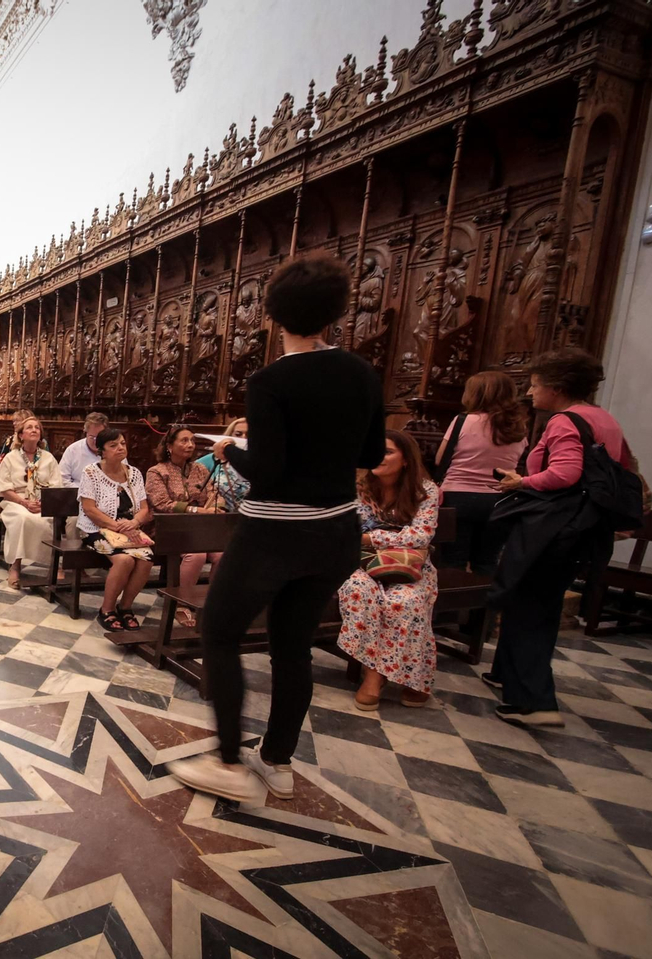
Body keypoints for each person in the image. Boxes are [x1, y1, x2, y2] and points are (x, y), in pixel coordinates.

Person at [167, 255, 385, 804]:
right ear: (335, 311)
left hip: (274, 535)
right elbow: (371, 452)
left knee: (218, 629)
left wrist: (229, 451)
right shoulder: (361, 373)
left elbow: (268, 470)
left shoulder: (272, 380)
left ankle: (228, 763)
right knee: (293, 646)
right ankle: (278, 761)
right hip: (336, 533)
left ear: (274, 316)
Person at [488, 348, 636, 726]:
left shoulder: (564, 420)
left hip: (554, 527)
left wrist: (521, 481)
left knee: (528, 605)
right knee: (541, 603)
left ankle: (534, 702)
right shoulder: (605, 418)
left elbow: (565, 474)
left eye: (535, 385)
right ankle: (506, 673)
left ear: (555, 387)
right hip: (584, 527)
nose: (530, 392)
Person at [338, 430, 441, 709]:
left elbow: (421, 536)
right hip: (360, 562)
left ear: (406, 459)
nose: (377, 457)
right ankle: (375, 676)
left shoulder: (425, 490)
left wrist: (372, 537)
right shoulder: (357, 486)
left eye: (386, 451)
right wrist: (385, 537)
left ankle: (404, 676)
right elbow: (345, 530)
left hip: (407, 565)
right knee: (359, 592)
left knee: (403, 601)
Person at [434, 371, 528, 574]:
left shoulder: (463, 421)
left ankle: (453, 605)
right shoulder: (518, 427)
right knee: (487, 560)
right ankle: (482, 604)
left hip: (458, 497)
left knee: (453, 561)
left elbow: (440, 460)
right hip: (501, 499)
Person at [78, 428, 154, 632]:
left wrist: (134, 523)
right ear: (101, 450)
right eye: (113, 445)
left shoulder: (134, 473)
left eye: (122, 443)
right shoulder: (91, 473)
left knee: (146, 560)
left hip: (128, 530)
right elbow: (89, 509)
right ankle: (107, 610)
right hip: (95, 530)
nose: (120, 448)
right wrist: (118, 526)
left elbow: (145, 508)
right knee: (125, 560)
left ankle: (125, 607)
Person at [145, 425, 217, 626]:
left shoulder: (200, 469)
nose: (190, 445)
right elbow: (161, 504)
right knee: (196, 555)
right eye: (184, 440)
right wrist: (195, 510)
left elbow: (211, 493)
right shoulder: (157, 471)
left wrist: (214, 503)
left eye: (192, 441)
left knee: (222, 555)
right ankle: (181, 604)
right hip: (168, 528)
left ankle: (212, 602)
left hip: (199, 529)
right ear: (169, 445)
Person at [0, 416, 64, 589]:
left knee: (46, 520)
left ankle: (54, 564)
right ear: (21, 435)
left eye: (37, 428)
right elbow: (4, 488)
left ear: (40, 435)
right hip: (15, 501)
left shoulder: (48, 458)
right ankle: (15, 565)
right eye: (29, 428)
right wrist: (24, 502)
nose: (34, 430)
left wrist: (42, 502)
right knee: (22, 519)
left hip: (42, 503)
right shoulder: (10, 458)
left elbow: (56, 485)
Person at [59, 412, 112, 487]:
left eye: (99, 437)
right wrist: (83, 492)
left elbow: (124, 476)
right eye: (92, 437)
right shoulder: (73, 450)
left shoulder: (114, 449)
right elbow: (62, 479)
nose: (96, 441)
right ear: (86, 433)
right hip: (77, 493)